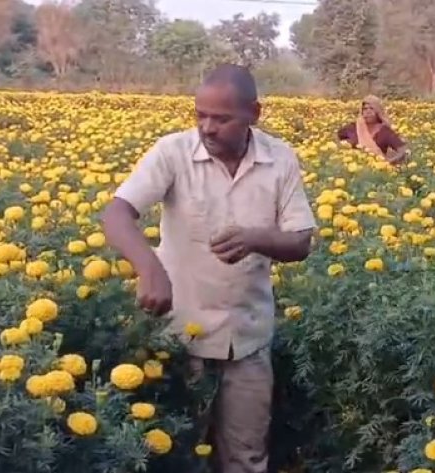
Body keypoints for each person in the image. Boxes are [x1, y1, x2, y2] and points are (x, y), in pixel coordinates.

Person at [101, 64, 316, 473]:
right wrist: (150, 269)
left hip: (247, 337)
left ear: (254, 112)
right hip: (181, 333)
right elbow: (116, 214)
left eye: (222, 118)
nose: (207, 127)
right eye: (200, 115)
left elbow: (300, 241)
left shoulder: (279, 158)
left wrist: (256, 238)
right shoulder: (172, 152)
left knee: (245, 457)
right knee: (179, 453)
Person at [337, 95, 408, 165]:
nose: (368, 112)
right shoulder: (353, 127)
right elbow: (336, 140)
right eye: (365, 109)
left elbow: (403, 151)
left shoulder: (384, 131)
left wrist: (388, 163)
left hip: (375, 171)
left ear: (378, 111)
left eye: (371, 108)